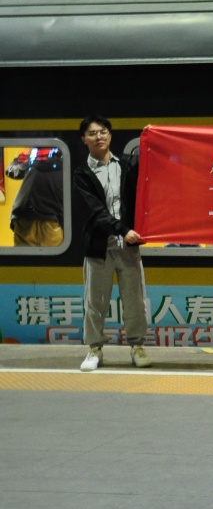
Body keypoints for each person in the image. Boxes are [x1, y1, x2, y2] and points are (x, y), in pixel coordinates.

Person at [73, 116, 151, 371]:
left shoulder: (127, 164)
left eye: (103, 131)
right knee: (95, 302)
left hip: (128, 247)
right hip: (99, 248)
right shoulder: (82, 174)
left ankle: (137, 347)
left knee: (135, 300)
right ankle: (94, 349)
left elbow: (152, 169)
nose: (99, 137)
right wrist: (123, 229)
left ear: (110, 135)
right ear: (84, 139)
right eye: (92, 133)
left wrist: (152, 138)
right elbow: (95, 212)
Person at [9, 147, 65, 247]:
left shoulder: (32, 158)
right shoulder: (65, 157)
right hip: (53, 218)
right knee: (53, 257)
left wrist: (19, 160)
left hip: (25, 215)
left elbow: (12, 171)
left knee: (24, 256)